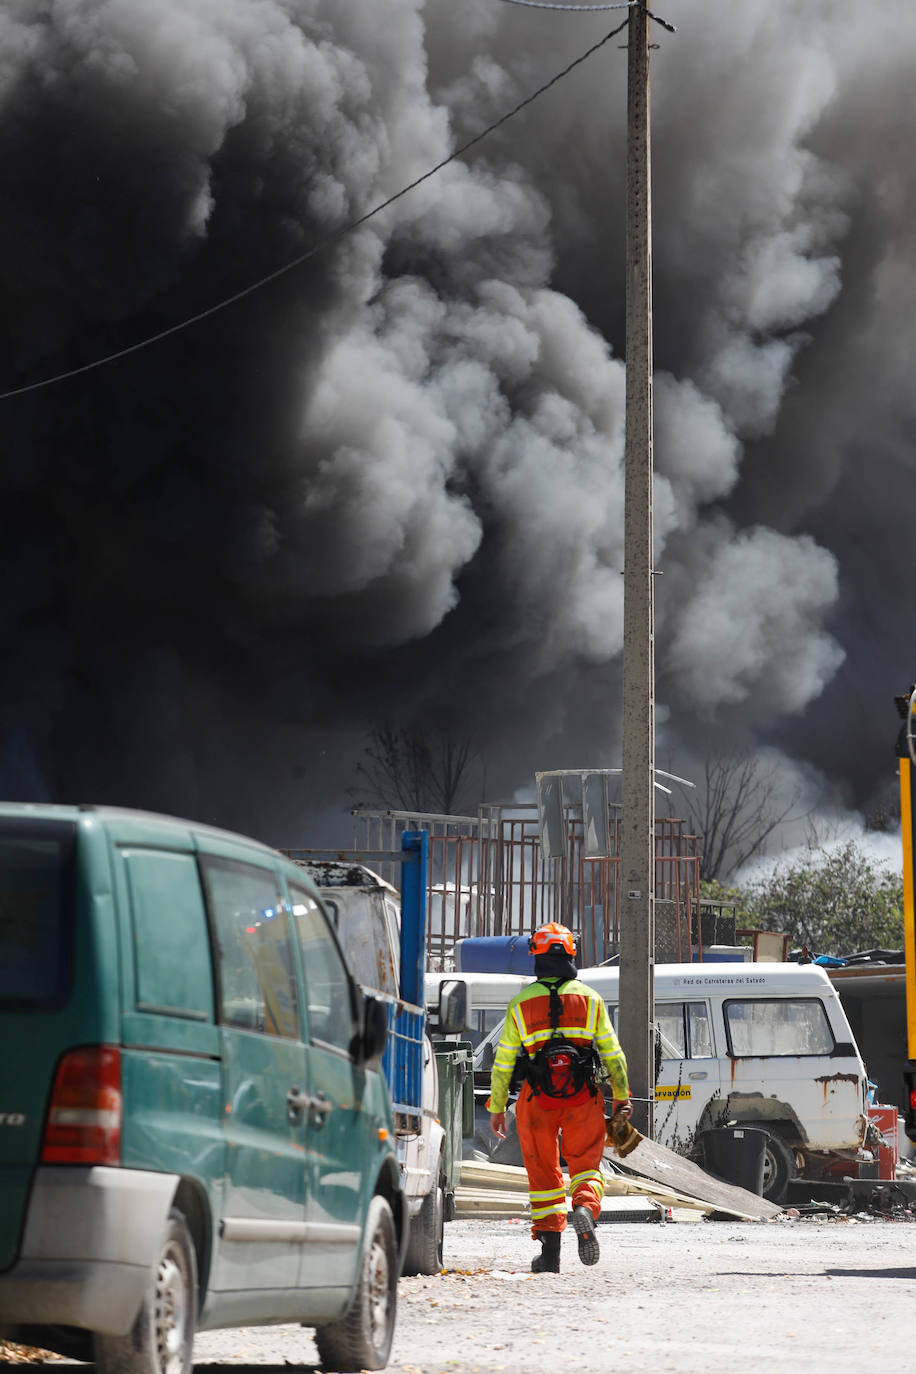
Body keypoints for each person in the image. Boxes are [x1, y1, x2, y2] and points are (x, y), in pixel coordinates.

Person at [487, 922, 630, 1273]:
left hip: (537, 1101)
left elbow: (503, 1061)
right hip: (583, 1098)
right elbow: (614, 1055)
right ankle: (584, 1207)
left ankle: (550, 1256)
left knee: (543, 1173)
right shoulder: (591, 999)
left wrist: (497, 1107)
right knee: (585, 1165)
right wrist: (623, 1095)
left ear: (535, 954)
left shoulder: (521, 1003)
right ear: (571, 953)